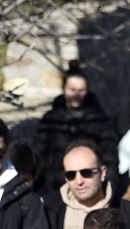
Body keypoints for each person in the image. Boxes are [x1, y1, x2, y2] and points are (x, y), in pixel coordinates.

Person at [34, 63, 120, 193]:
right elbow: (39, 153)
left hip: (89, 187)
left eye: (81, 91)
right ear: (63, 88)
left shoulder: (101, 121)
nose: (76, 95)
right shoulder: (51, 119)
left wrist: (110, 188)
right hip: (55, 187)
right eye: (72, 90)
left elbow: (110, 157)